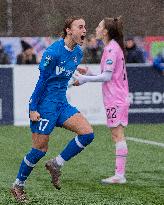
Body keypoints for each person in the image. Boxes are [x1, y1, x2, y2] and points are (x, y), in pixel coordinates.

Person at [11, 16, 94, 203]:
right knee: (39, 150)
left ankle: (56, 164)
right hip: (44, 106)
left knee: (87, 134)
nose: (84, 30)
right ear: (68, 30)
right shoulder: (52, 52)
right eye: (80, 27)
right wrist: (32, 108)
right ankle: (18, 185)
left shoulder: (77, 53)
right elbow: (42, 82)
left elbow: (65, 72)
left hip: (62, 104)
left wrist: (76, 74)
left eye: (85, 27)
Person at [74, 16, 129, 184]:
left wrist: (85, 80)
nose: (96, 29)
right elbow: (107, 74)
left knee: (117, 135)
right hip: (116, 97)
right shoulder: (111, 47)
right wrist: (89, 73)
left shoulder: (112, 49)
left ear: (105, 31)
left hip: (116, 98)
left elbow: (107, 76)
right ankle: (119, 175)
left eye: (99, 26)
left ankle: (119, 176)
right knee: (116, 135)